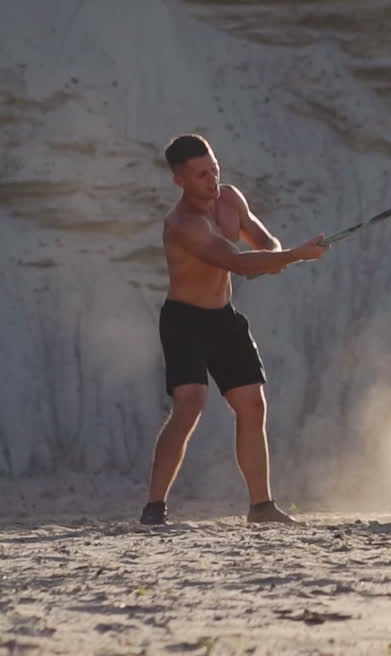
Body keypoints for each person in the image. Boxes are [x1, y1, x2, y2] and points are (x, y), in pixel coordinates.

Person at [140, 134, 329, 526]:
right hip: (184, 320)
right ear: (180, 181)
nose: (212, 179)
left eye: (214, 169)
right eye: (201, 175)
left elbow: (263, 241)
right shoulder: (183, 224)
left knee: (252, 404)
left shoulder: (229, 198)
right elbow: (236, 262)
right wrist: (293, 257)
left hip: (222, 317)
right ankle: (154, 507)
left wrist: (277, 256)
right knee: (189, 404)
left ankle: (261, 506)